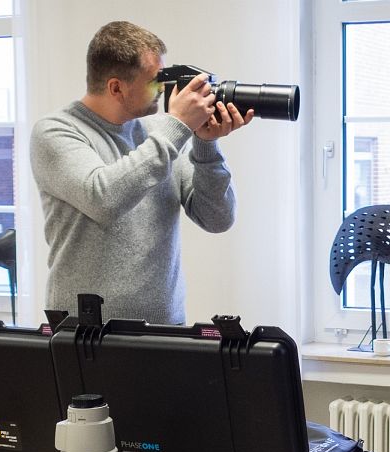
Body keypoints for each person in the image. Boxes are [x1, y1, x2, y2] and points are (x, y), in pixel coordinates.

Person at [30, 21, 252, 324]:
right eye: (153, 81)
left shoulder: (162, 132)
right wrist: (179, 126)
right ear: (116, 88)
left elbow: (218, 219)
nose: (162, 88)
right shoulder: (55, 132)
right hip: (87, 334)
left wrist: (206, 145)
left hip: (166, 330)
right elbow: (103, 199)